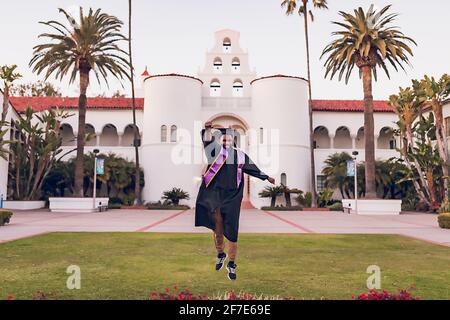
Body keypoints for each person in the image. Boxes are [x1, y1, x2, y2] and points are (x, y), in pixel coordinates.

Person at [195, 122, 275, 281]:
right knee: (217, 225)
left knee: (232, 228)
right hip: (216, 196)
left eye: (229, 140)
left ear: (233, 141)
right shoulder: (214, 152)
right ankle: (220, 253)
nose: (226, 142)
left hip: (232, 197)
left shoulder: (240, 155)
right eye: (223, 140)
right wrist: (209, 129)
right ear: (220, 141)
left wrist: (266, 177)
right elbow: (207, 141)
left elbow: (253, 168)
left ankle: (231, 263)